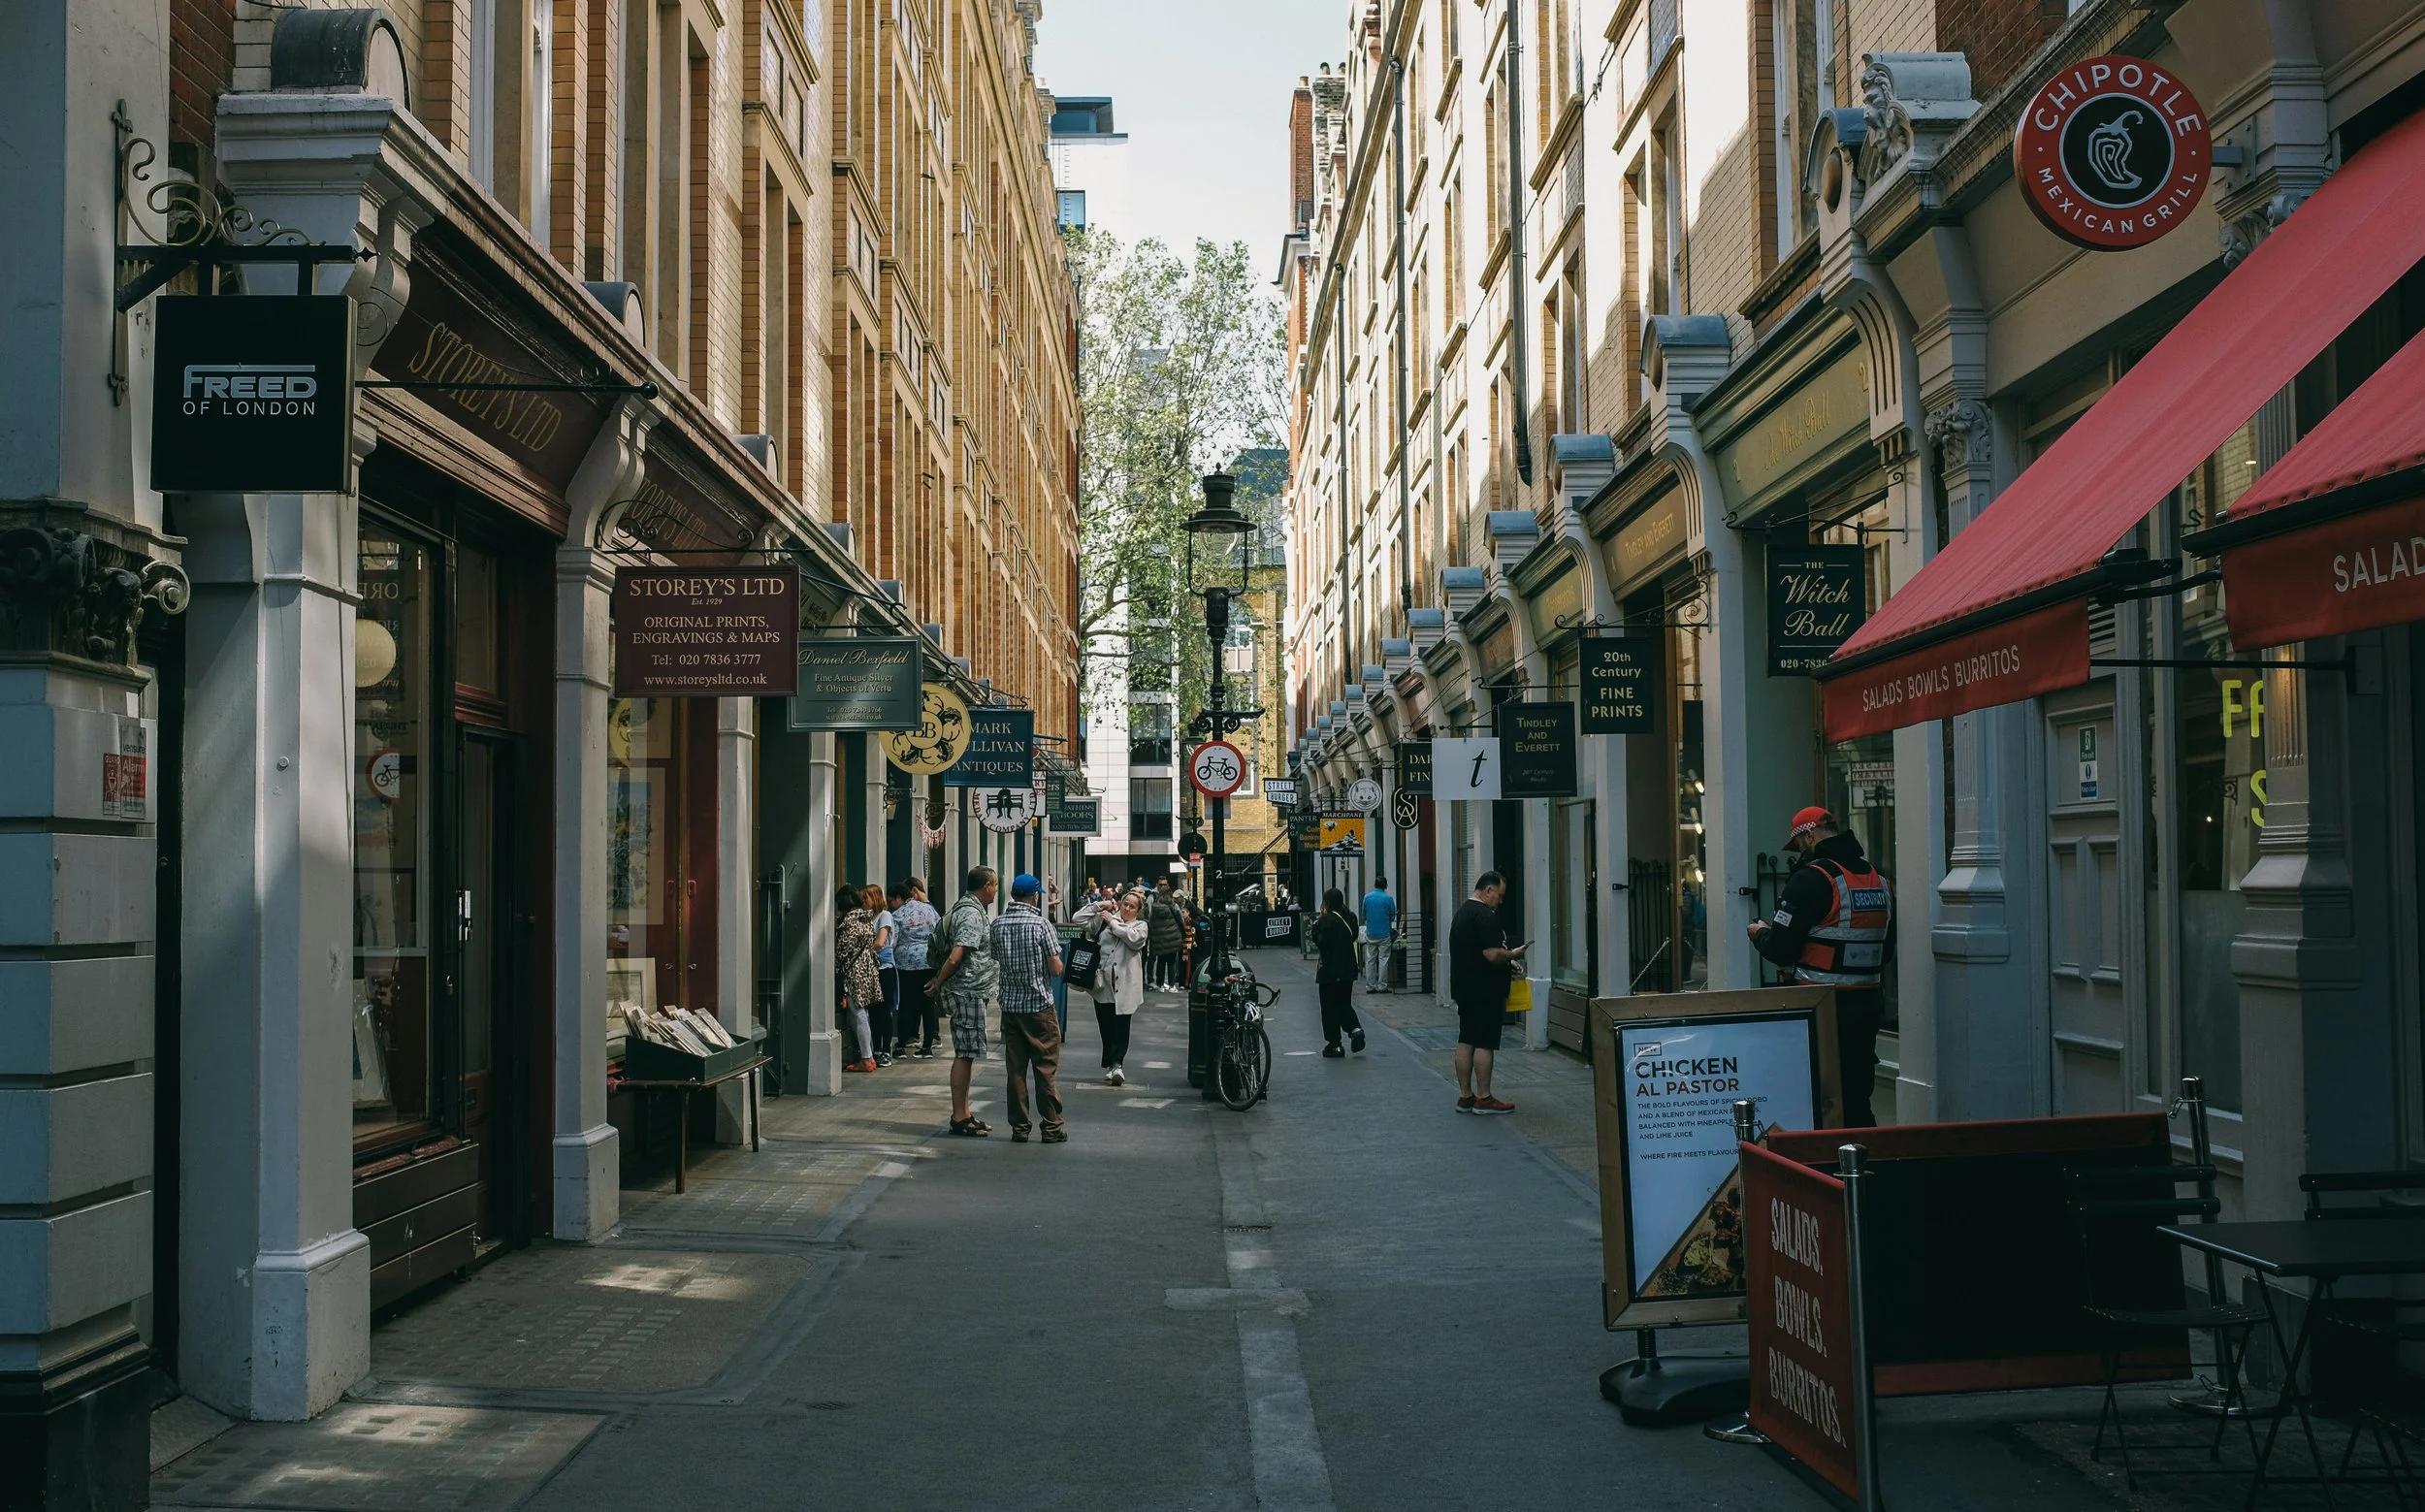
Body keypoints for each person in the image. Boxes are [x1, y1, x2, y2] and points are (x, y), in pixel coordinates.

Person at [1747, 806, 1894, 1127]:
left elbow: (1781, 950)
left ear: (1809, 835)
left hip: (1819, 1008)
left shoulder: (1811, 879)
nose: (1800, 852)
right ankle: (1863, 1170)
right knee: (1857, 1100)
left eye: (1799, 844)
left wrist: (1760, 935)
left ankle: (1824, 1172)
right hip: (1866, 1008)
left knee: (1816, 1098)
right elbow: (1885, 951)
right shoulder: (1878, 879)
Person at [989, 874, 1068, 1143]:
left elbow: (995, 958)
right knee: (1045, 1068)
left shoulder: (997, 924)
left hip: (1011, 1007)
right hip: (1039, 1007)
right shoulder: (1041, 924)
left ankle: (1020, 1127)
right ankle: (1052, 1127)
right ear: (1034, 896)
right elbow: (1055, 968)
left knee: (1016, 1070)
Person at [928, 866, 999, 1136]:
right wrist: (939, 981)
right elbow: (958, 955)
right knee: (964, 1053)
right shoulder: (970, 914)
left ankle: (965, 1113)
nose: (996, 890)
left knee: (968, 1054)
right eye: (995, 885)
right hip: (966, 990)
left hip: (970, 990)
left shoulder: (969, 908)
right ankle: (959, 1117)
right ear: (987, 885)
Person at [1446, 871, 1524, 1114]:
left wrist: (1507, 962)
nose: (1499, 902)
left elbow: (1473, 951)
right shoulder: (1485, 916)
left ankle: (1465, 1096)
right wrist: (1512, 955)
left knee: (1466, 1039)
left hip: (1464, 987)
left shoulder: (1462, 913)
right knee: (1484, 1042)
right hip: (1485, 989)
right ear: (1488, 890)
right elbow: (1491, 954)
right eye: (1498, 896)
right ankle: (1484, 1097)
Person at [1073, 885, 1149, 1084]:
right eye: (1125, 904)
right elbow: (1078, 919)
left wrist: (1113, 924)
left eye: (1132, 907)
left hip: (1126, 985)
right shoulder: (1105, 919)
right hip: (1103, 983)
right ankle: (1110, 1062)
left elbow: (1133, 940)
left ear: (1138, 910)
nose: (1127, 909)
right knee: (1105, 1025)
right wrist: (1100, 905)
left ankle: (1118, 1064)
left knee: (1122, 1026)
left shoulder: (1140, 926)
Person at [1310, 887, 1369, 1057]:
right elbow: (1353, 936)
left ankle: (1334, 1044)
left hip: (1329, 970)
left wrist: (1316, 928)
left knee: (1329, 1006)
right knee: (1344, 1002)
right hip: (1348, 968)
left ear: (1326, 903)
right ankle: (1355, 1028)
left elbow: (1321, 942)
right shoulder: (1350, 917)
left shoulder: (1325, 921)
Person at [889, 879, 942, 1057]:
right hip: (928, 962)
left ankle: (901, 1045)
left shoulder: (898, 915)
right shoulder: (929, 909)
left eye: (892, 900)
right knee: (927, 1003)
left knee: (906, 1005)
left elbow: (893, 942)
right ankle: (927, 1046)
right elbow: (939, 931)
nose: (891, 904)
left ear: (898, 898)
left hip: (906, 964)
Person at [836, 887, 883, 1072]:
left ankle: (866, 1058)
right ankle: (868, 1054)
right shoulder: (865, 920)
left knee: (858, 1013)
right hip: (866, 970)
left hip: (854, 973)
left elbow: (840, 953)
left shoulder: (849, 924)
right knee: (863, 1014)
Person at [872, 884, 900, 1059]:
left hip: (884, 967)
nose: (863, 902)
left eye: (866, 898)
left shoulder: (884, 916)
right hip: (872, 968)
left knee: (884, 1010)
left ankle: (885, 1049)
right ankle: (876, 1048)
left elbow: (880, 941)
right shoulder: (868, 917)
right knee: (874, 1011)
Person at [1360, 876, 1398, 993]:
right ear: (1385, 886)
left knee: (1370, 959)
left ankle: (1370, 986)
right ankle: (1382, 986)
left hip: (1371, 933)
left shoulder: (1367, 897)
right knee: (1383, 959)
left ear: (1374, 885)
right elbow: (1392, 915)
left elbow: (1363, 915)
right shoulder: (1388, 898)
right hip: (1384, 933)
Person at [1147, 877, 1185, 991]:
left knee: (1161, 961)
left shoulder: (1155, 907)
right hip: (1173, 937)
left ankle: (1160, 984)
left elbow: (1150, 920)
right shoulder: (1174, 906)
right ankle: (1172, 985)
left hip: (1159, 938)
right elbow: (1181, 920)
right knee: (1172, 962)